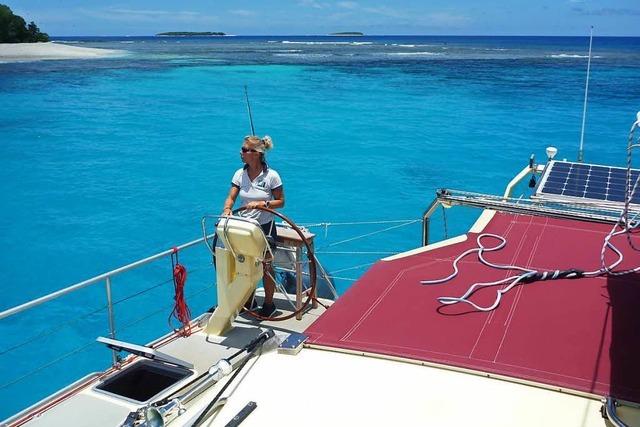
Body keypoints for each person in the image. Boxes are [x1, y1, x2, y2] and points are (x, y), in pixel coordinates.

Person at [222, 135, 284, 317]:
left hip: (264, 227)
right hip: (245, 227)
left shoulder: (272, 176)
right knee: (245, 264)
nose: (241, 153)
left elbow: (280, 202)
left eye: (244, 150)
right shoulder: (239, 174)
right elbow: (231, 197)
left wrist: (262, 204)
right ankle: (248, 300)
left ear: (256, 154)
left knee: (266, 266)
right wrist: (227, 209)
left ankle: (269, 304)